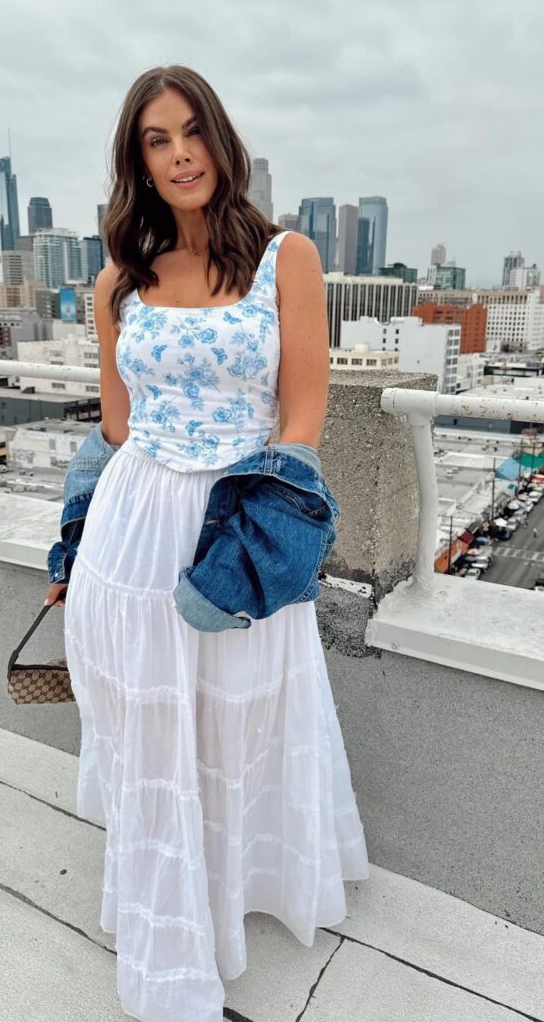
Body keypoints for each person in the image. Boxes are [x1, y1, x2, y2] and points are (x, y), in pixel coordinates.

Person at [45, 64, 369, 1022]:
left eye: (191, 132)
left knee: (236, 722)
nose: (179, 154)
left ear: (220, 142)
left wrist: (248, 554)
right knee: (147, 730)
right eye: (156, 140)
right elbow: (113, 430)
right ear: (136, 162)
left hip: (233, 529)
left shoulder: (287, 260)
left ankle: (220, 899)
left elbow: (301, 422)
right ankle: (167, 944)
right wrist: (71, 547)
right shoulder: (118, 281)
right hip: (128, 534)